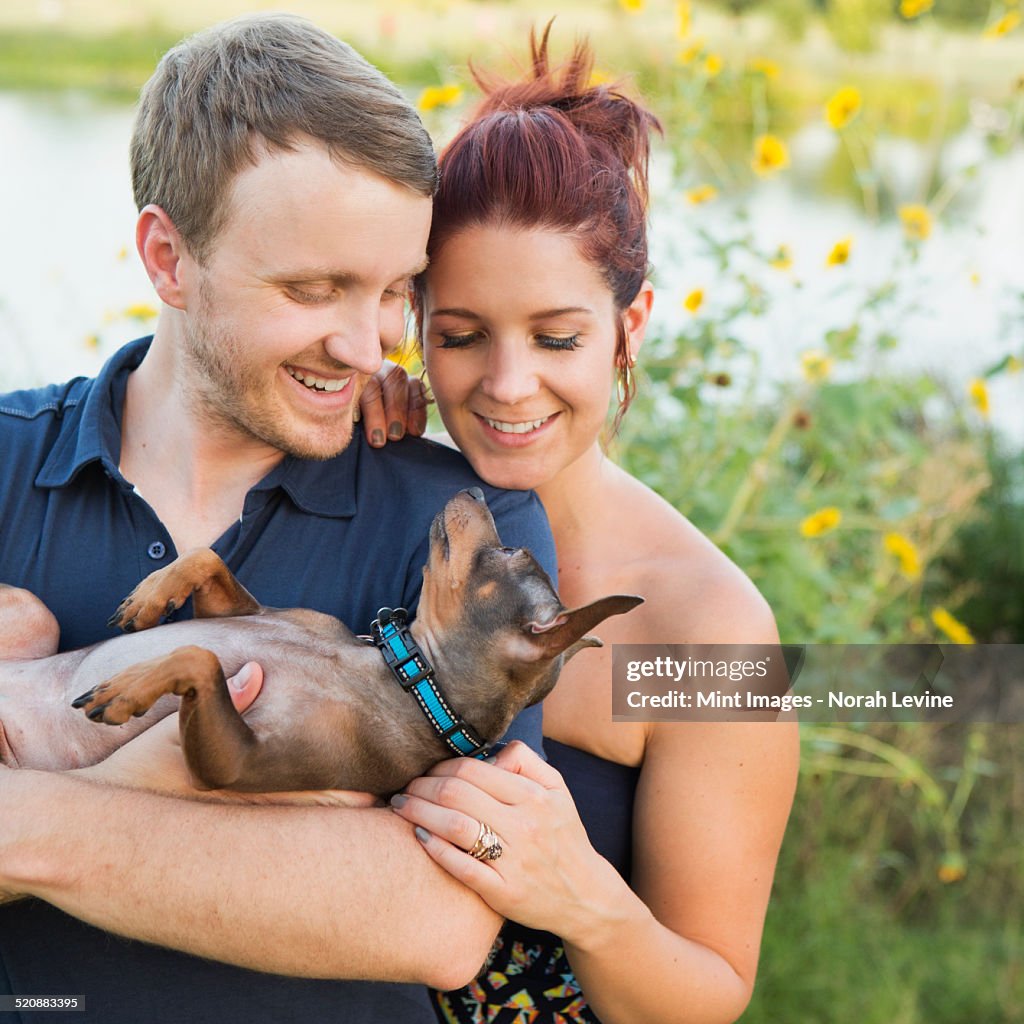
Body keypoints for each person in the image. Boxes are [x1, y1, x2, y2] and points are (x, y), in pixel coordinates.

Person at [0, 14, 557, 1024]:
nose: (366, 345)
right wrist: (295, 846)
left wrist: (26, 823)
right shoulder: (4, 458)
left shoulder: (456, 525)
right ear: (167, 258)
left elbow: (437, 917)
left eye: (396, 291)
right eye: (314, 288)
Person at [361, 30, 800, 1024]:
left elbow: (708, 993)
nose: (508, 386)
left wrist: (585, 901)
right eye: (461, 336)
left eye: (557, 337)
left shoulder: (705, 628)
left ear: (628, 326)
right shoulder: (366, 483)